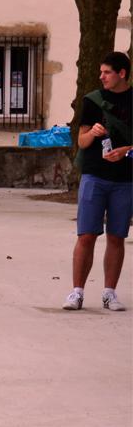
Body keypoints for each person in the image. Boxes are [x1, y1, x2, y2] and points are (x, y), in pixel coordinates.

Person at [63, 51, 132, 311]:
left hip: (125, 179)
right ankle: (76, 293)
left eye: (107, 72)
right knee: (86, 234)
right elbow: (81, 142)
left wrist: (126, 151)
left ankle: (109, 293)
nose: (101, 76)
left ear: (122, 73)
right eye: (101, 72)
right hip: (94, 176)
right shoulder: (92, 100)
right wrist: (92, 132)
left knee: (116, 236)